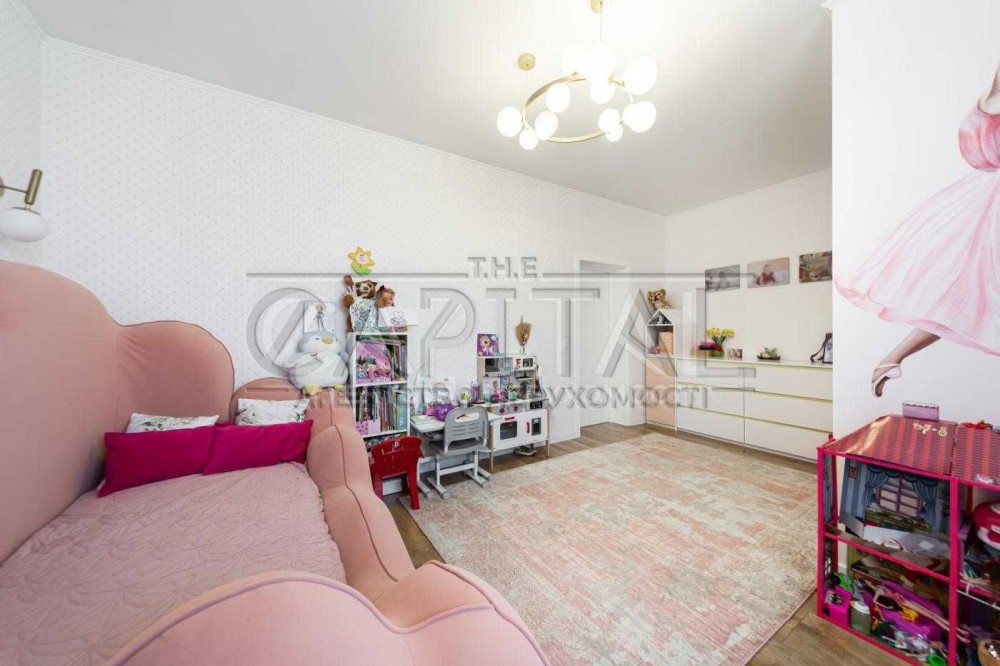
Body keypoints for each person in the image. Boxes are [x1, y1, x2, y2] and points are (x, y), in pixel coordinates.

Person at [836, 63, 1000, 397]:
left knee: (963, 295)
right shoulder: (987, 103)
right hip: (985, 202)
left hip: (982, 201)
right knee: (962, 296)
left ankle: (891, 360)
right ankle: (891, 359)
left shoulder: (984, 106)